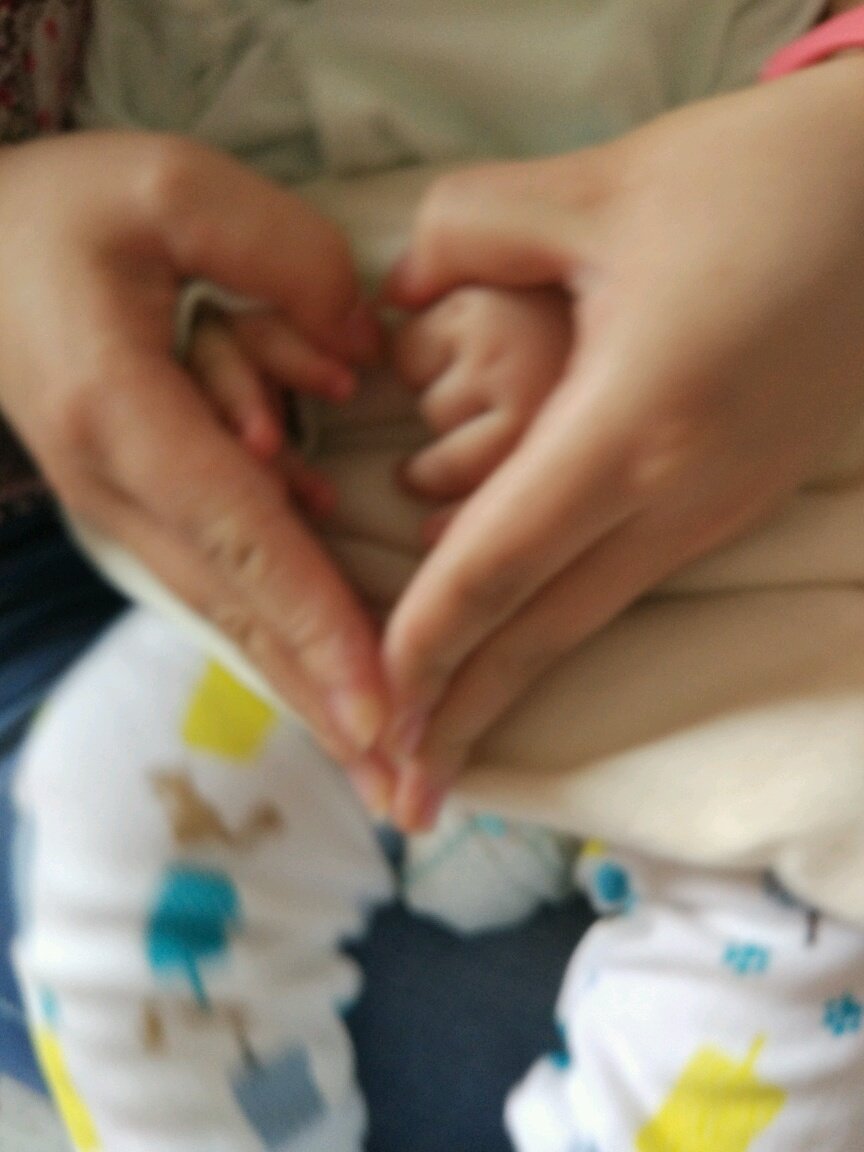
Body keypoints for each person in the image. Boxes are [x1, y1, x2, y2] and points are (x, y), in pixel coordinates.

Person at [5, 0, 864, 1149]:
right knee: (116, 808)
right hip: (308, 603)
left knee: (805, 965)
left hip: (737, 593)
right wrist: (209, 337)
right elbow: (144, 219)